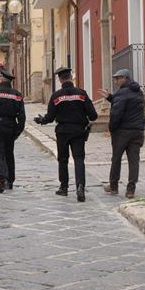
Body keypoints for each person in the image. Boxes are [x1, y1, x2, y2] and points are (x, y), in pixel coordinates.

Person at [34, 67, 98, 202]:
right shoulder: (82, 94)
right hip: (79, 131)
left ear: (60, 79)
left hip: (62, 131)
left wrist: (41, 120)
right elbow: (93, 115)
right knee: (79, 159)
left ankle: (64, 188)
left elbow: (50, 117)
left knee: (63, 160)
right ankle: (80, 186)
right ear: (71, 77)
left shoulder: (56, 96)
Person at [103, 69, 145, 199]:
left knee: (116, 159)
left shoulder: (122, 92)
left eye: (117, 78)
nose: (115, 81)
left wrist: (112, 128)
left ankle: (113, 186)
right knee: (134, 160)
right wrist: (111, 97)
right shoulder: (138, 91)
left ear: (125, 78)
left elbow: (117, 113)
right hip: (137, 131)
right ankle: (131, 189)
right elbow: (128, 105)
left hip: (122, 132)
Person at [0, 69, 26, 193]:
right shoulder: (17, 95)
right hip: (11, 126)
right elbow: (22, 116)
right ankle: (11, 180)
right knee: (9, 154)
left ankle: (3, 180)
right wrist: (18, 130)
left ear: (1, 79)